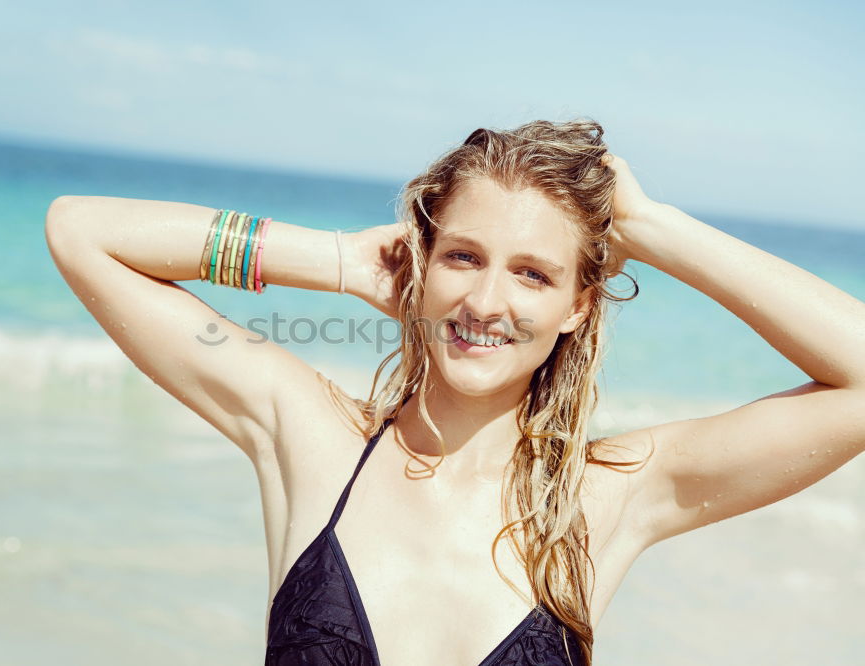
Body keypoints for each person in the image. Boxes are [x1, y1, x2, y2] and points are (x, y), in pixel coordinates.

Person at [43, 118, 865, 666]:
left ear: (579, 305)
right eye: (463, 257)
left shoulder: (608, 497)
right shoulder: (317, 441)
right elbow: (82, 234)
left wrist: (649, 229)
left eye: (534, 273)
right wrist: (333, 261)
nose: (486, 304)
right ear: (420, 264)